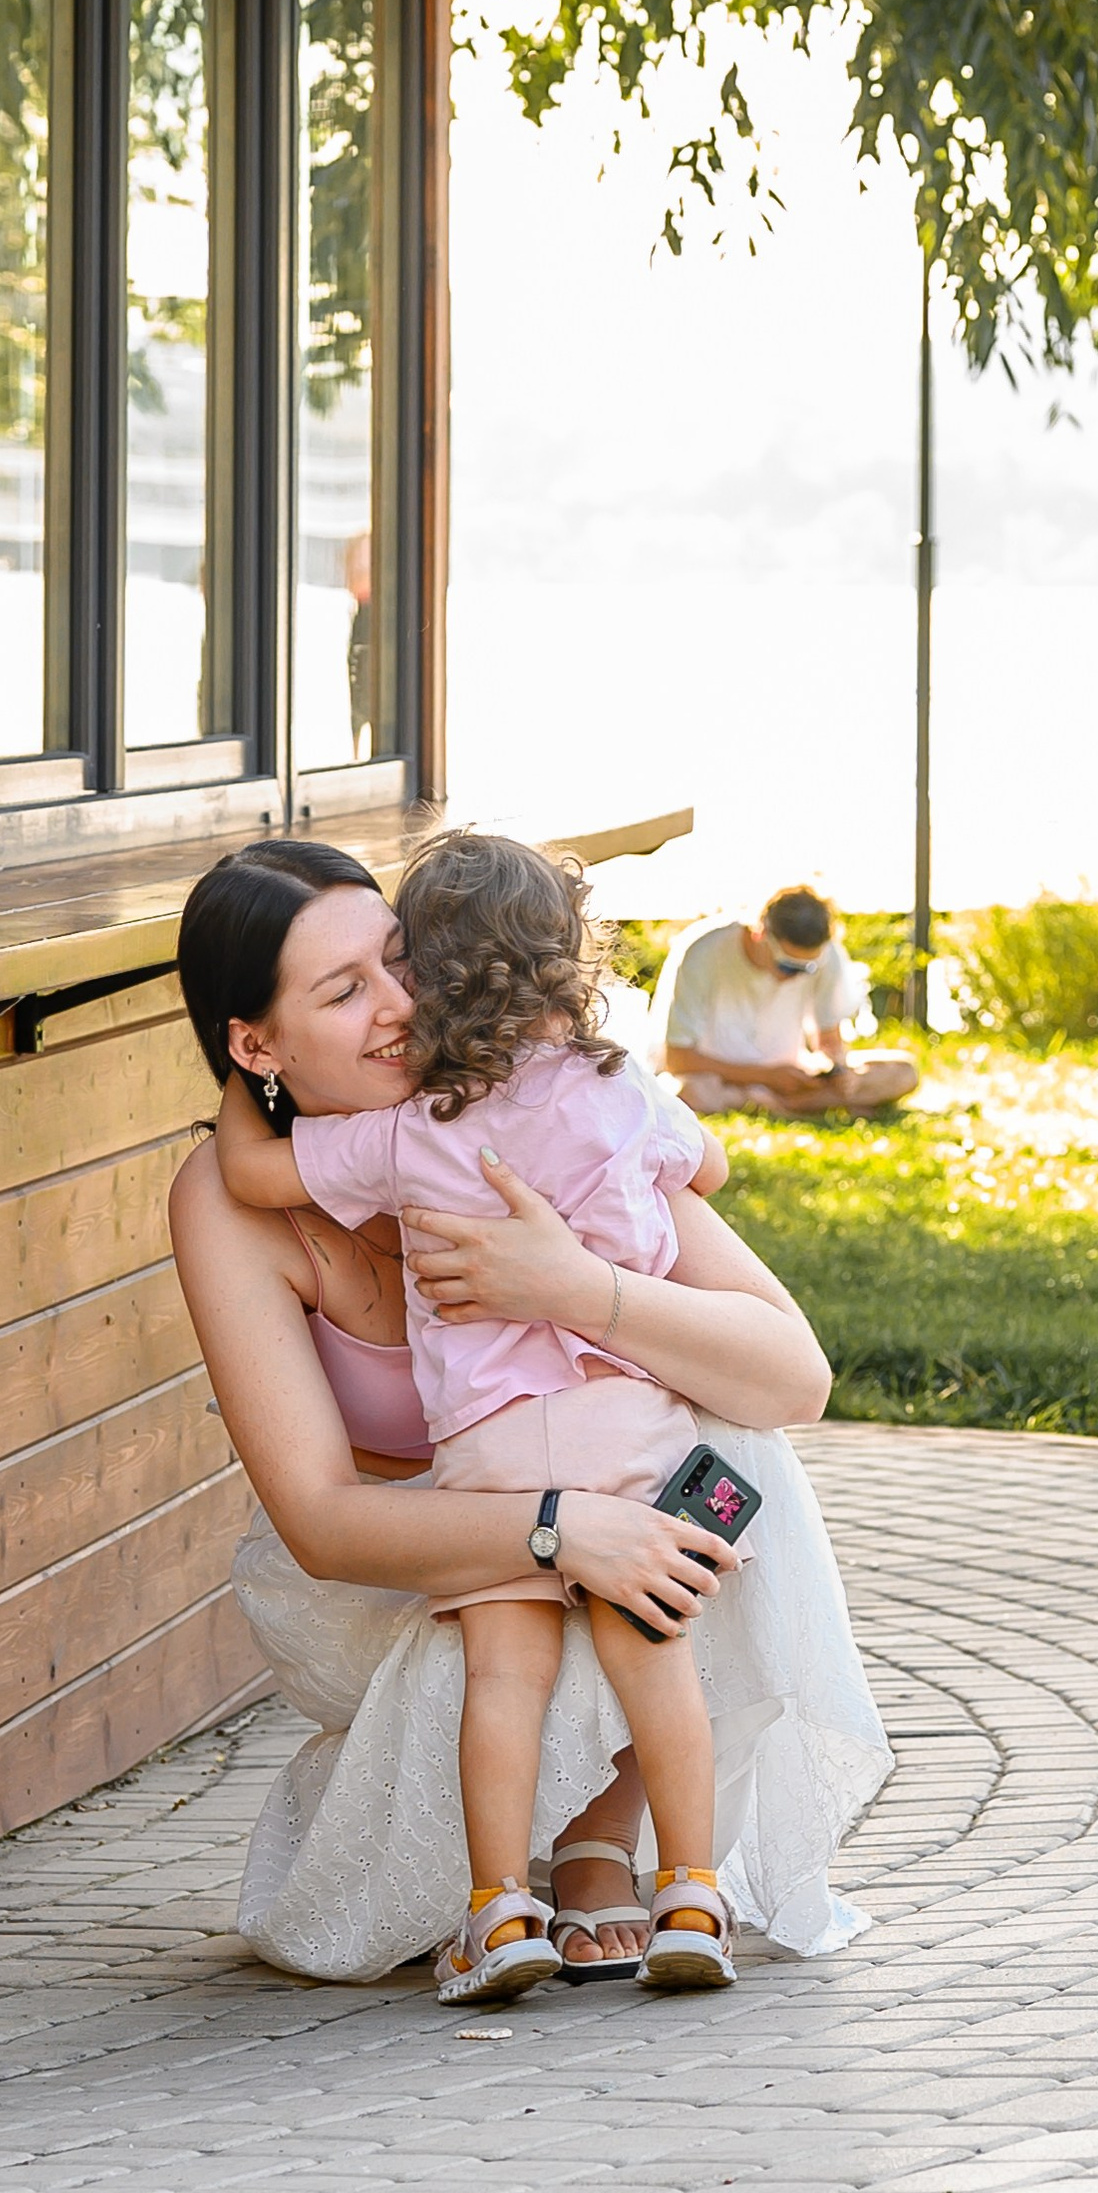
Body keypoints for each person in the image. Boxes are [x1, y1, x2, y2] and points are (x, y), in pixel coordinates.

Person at [168, 837, 893, 1989]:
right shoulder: (242, 1193)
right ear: (253, 1043)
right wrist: (559, 1526)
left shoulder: (542, 1111)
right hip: (413, 1563)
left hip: (601, 1516)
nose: (402, 1004)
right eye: (345, 990)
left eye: (403, 960)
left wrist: (575, 1288)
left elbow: (790, 1377)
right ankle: (513, 1873)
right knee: (591, 1549)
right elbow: (320, 1517)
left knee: (726, 1446)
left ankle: (607, 1838)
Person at [657, 886, 919, 1116]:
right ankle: (799, 1106)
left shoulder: (827, 953)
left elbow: (828, 1040)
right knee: (688, 1092)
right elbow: (678, 1059)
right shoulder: (703, 951)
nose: (796, 977)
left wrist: (839, 1069)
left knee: (905, 1072)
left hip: (792, 1075)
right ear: (760, 935)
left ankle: (773, 1104)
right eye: (788, 967)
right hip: (718, 1078)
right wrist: (766, 1077)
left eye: (807, 969)